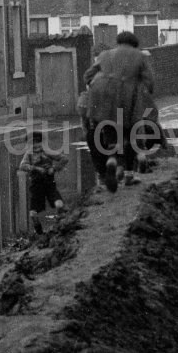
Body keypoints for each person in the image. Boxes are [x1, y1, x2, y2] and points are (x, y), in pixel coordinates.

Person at [82, 30, 156, 191]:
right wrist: (144, 94)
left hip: (104, 99)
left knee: (111, 134)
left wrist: (96, 87)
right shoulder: (139, 56)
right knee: (130, 135)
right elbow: (149, 81)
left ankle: (111, 161)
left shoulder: (104, 54)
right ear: (134, 43)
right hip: (128, 99)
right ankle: (129, 175)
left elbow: (88, 76)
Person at [20, 143, 64, 230]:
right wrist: (38, 168)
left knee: (57, 203)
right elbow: (23, 166)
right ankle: (42, 229)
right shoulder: (32, 153)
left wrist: (53, 168)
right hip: (40, 183)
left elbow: (64, 159)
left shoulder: (37, 152)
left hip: (41, 182)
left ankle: (59, 221)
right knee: (34, 212)